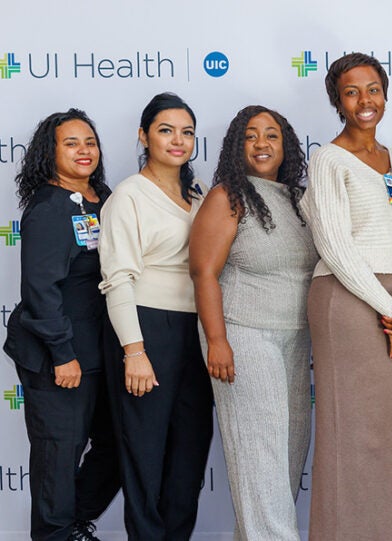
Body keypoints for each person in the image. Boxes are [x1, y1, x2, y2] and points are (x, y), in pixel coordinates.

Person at [301, 52, 392, 539]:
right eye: (351, 92)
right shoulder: (328, 159)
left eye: (372, 89)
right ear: (337, 101)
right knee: (348, 433)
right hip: (347, 302)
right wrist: (389, 306)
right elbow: (334, 243)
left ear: (385, 94)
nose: (364, 100)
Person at [189, 105, 316, 540]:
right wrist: (217, 339)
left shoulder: (299, 200)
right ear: (236, 146)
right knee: (261, 464)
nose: (262, 143)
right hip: (242, 335)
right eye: (251, 135)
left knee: (284, 464)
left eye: (272, 135)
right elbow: (203, 272)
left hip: (296, 342)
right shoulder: (228, 196)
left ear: (287, 145)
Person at [98, 92, 213, 539]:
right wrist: (134, 350)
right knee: (145, 457)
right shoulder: (128, 195)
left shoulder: (199, 192)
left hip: (196, 331)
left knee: (189, 454)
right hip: (146, 329)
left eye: (187, 132)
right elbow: (117, 279)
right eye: (166, 130)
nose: (178, 141)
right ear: (144, 136)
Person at [3, 109, 121, 541]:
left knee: (116, 446)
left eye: (89, 141)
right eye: (71, 143)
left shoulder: (102, 197)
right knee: (58, 455)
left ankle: (72, 524)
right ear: (50, 153)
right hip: (60, 355)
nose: (84, 150)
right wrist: (63, 354)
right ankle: (55, 534)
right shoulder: (49, 209)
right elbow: (40, 291)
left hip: (99, 351)